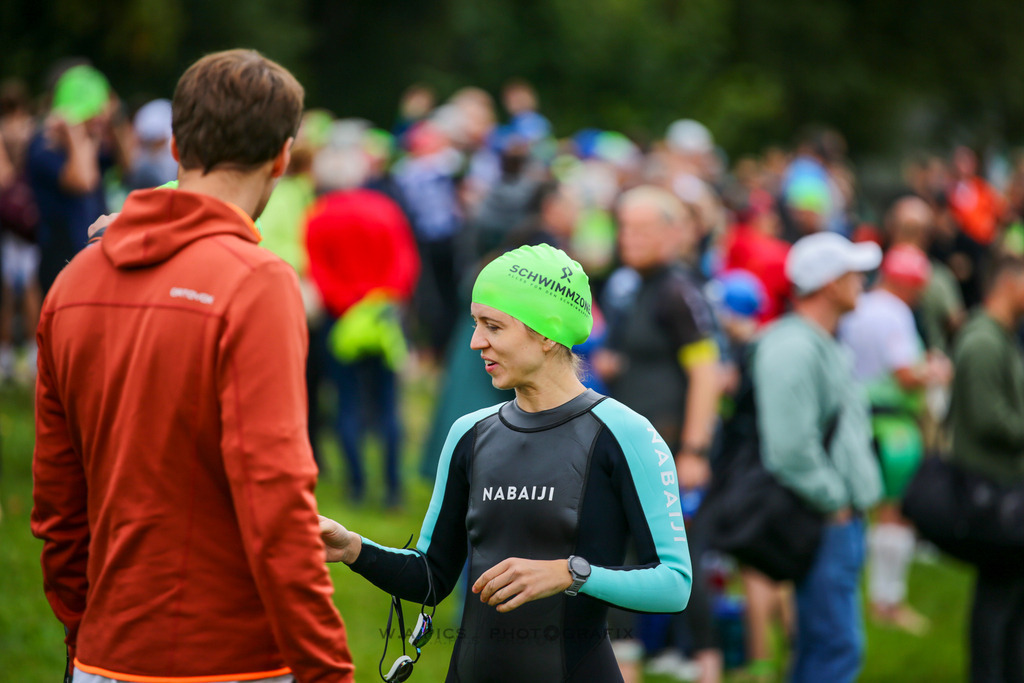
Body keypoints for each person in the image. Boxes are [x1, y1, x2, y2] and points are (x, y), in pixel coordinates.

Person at [31, 49, 355, 683]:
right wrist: (328, 672)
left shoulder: (73, 281)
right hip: (231, 660)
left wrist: (83, 637)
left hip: (102, 652)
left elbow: (57, 508)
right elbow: (278, 507)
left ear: (175, 145)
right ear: (282, 158)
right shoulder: (257, 282)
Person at [319, 243, 692, 682]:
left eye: (493, 326)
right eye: (476, 323)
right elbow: (432, 576)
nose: (476, 341)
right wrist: (351, 548)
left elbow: (674, 584)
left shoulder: (624, 434)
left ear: (546, 333)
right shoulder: (470, 433)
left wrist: (571, 573)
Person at [594, 186, 722, 683]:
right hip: (630, 447)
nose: (631, 238)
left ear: (674, 234)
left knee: (679, 554)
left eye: (644, 229)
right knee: (620, 557)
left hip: (670, 447)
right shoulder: (634, 288)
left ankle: (709, 666)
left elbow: (706, 371)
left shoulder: (677, 290)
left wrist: (694, 448)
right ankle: (625, 666)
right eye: (625, 227)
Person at [754, 231, 883, 683]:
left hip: (833, 518)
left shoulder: (818, 339)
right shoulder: (793, 346)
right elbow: (789, 449)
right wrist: (836, 504)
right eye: (854, 272)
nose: (862, 280)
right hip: (824, 519)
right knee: (837, 648)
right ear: (830, 283)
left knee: (821, 645)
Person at [839, 244, 952, 634]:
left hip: (855, 419)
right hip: (893, 426)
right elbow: (904, 373)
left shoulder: (858, 305)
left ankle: (861, 597)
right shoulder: (896, 314)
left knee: (861, 510)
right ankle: (887, 602)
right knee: (897, 513)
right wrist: (935, 373)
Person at [947, 253, 1024, 683]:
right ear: (1009, 284)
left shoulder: (1001, 335)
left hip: (1007, 487)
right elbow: (987, 417)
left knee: (1012, 601)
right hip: (990, 492)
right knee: (996, 601)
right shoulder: (981, 340)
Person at [26, 62, 132, 296]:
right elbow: (84, 181)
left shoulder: (89, 145)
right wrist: (74, 130)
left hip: (89, 258)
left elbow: (127, 165)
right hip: (59, 260)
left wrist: (115, 121)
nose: (97, 117)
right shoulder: (43, 146)